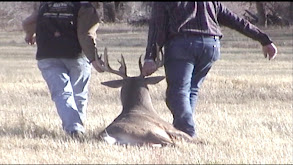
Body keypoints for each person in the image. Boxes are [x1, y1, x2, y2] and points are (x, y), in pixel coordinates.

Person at [141, 2, 277, 138]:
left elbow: (157, 26)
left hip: (182, 45)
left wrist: (150, 57)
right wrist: (264, 39)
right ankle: (181, 132)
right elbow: (235, 21)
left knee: (177, 93)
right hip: (210, 46)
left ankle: (187, 133)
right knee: (191, 91)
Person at [22, 2, 104, 138]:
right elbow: (85, 34)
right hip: (76, 56)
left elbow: (28, 22)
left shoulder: (46, 4)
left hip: (47, 55)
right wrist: (94, 59)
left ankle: (74, 128)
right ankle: (76, 129)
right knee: (79, 94)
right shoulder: (84, 6)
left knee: (62, 93)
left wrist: (29, 34)